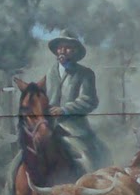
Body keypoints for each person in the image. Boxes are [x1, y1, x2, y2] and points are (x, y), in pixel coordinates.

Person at [45, 32, 105, 170]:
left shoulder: (85, 73)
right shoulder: (50, 72)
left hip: (74, 130)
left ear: (75, 51)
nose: (62, 51)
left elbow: (89, 100)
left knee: (88, 162)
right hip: (48, 127)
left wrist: (64, 110)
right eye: (59, 48)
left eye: (67, 48)